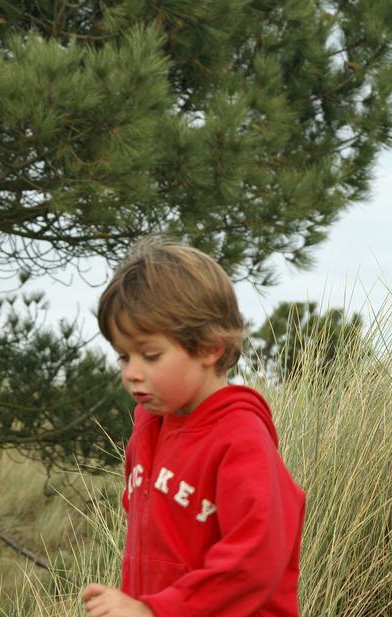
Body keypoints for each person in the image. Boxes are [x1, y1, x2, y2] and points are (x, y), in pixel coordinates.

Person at [82, 239, 305, 616]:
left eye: (150, 356)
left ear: (209, 348)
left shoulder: (240, 438)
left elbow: (255, 562)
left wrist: (154, 611)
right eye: (123, 356)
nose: (131, 373)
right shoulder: (148, 427)